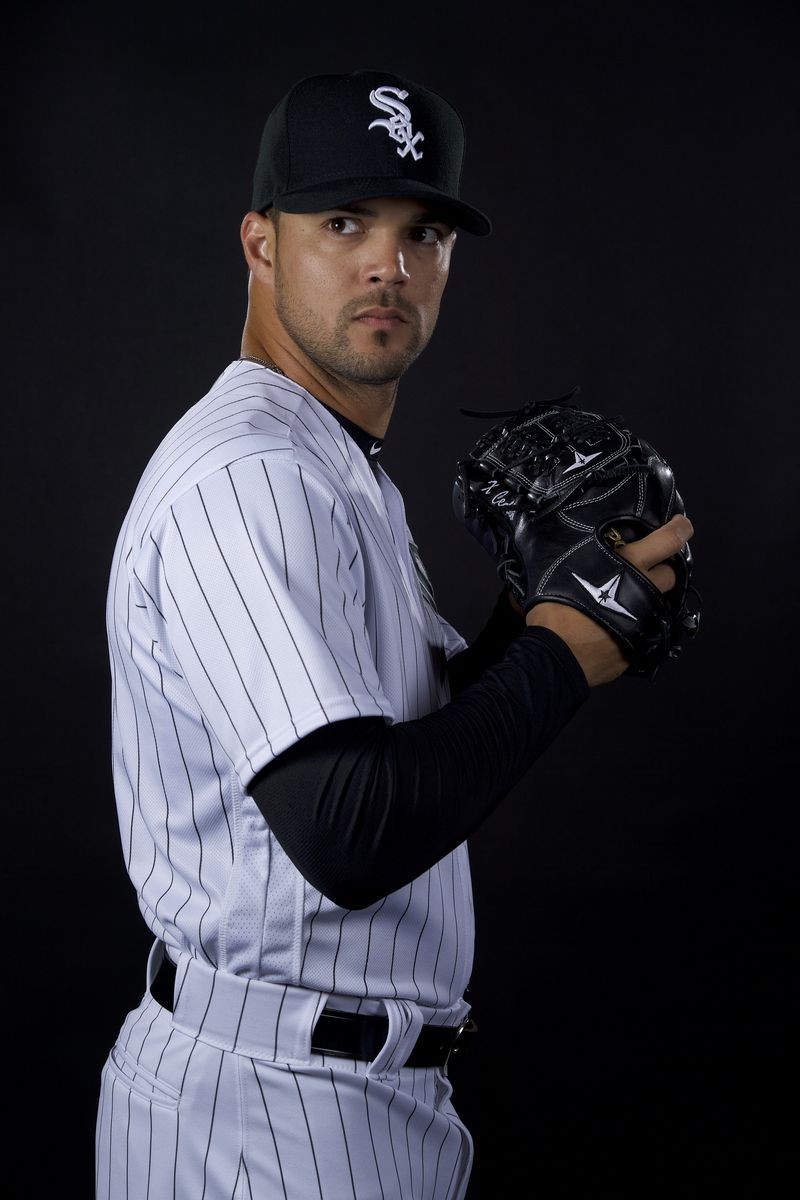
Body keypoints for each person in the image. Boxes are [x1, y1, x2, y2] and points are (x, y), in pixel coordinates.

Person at [95, 69, 693, 1199]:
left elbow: (393, 744)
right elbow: (348, 830)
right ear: (259, 244)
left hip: (335, 1095)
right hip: (266, 1111)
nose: (390, 264)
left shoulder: (328, 461)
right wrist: (563, 650)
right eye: (342, 222)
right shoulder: (252, 472)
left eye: (423, 230)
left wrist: (535, 615)